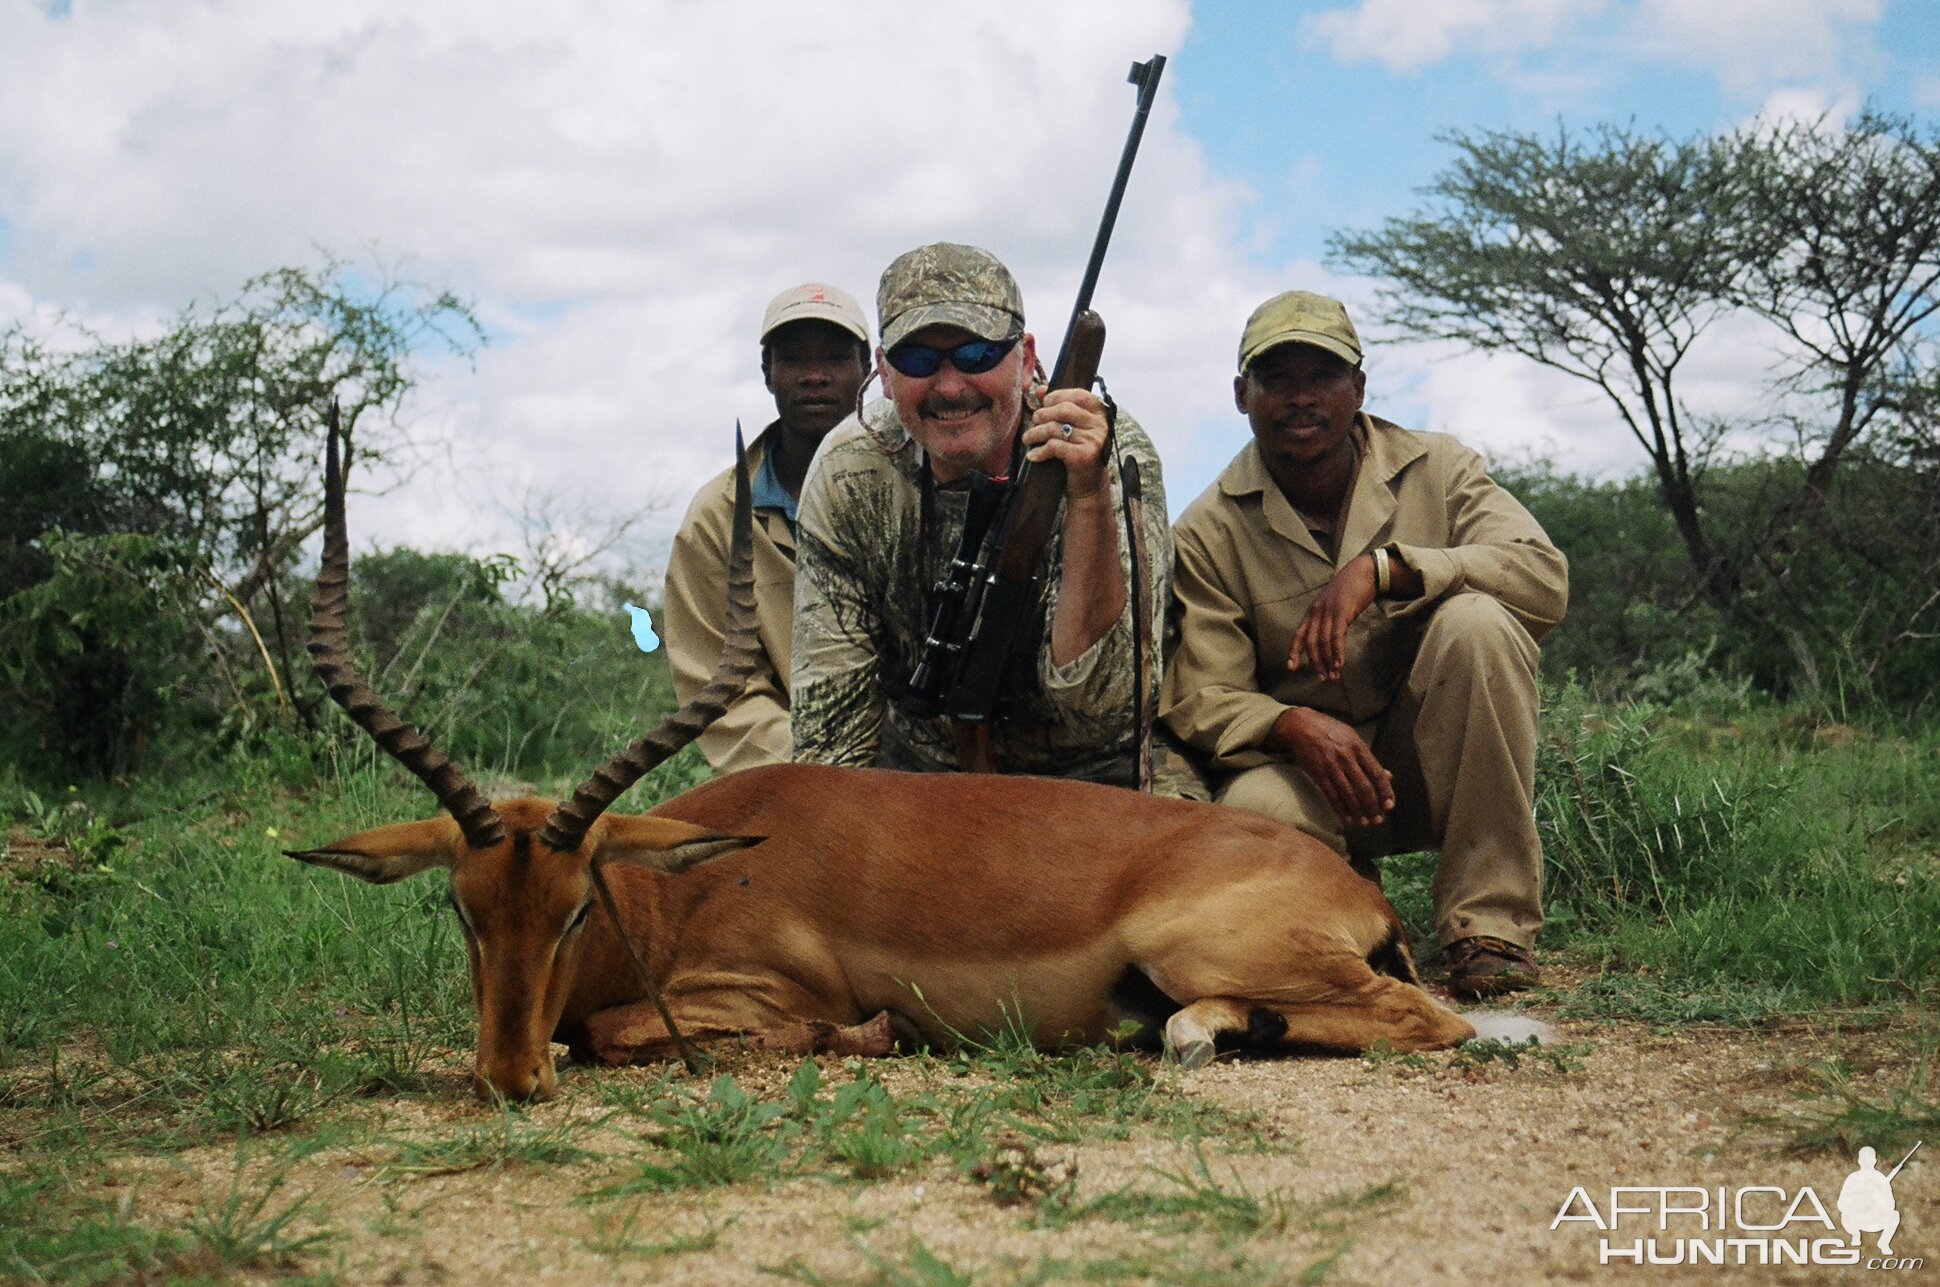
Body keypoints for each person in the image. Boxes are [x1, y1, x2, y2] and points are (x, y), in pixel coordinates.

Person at [1161, 290, 1568, 998]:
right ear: (1240, 395)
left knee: (1478, 622)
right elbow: (1202, 695)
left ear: (1360, 388)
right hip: (1313, 782)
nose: (1301, 398)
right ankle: (1358, 928)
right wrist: (1289, 723)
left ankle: (1489, 927)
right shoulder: (1207, 529)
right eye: (1276, 379)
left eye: (1322, 376)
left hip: (1432, 763)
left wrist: (1388, 569)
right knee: (1254, 811)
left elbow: (1542, 575)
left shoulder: (1440, 468)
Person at [790, 242, 1172, 786]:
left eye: (977, 356)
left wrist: (1087, 497)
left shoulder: (1111, 449)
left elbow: (1104, 704)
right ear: (883, 370)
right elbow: (829, 738)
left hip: (1094, 779)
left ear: (1026, 360)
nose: (949, 387)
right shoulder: (848, 471)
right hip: (922, 784)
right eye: (918, 360)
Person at [662, 282, 872, 773]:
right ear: (768, 375)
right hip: (800, 777)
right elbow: (725, 695)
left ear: (868, 372)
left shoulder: (922, 479)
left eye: (837, 359)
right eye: (794, 360)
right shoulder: (718, 515)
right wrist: (832, 773)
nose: (815, 377)